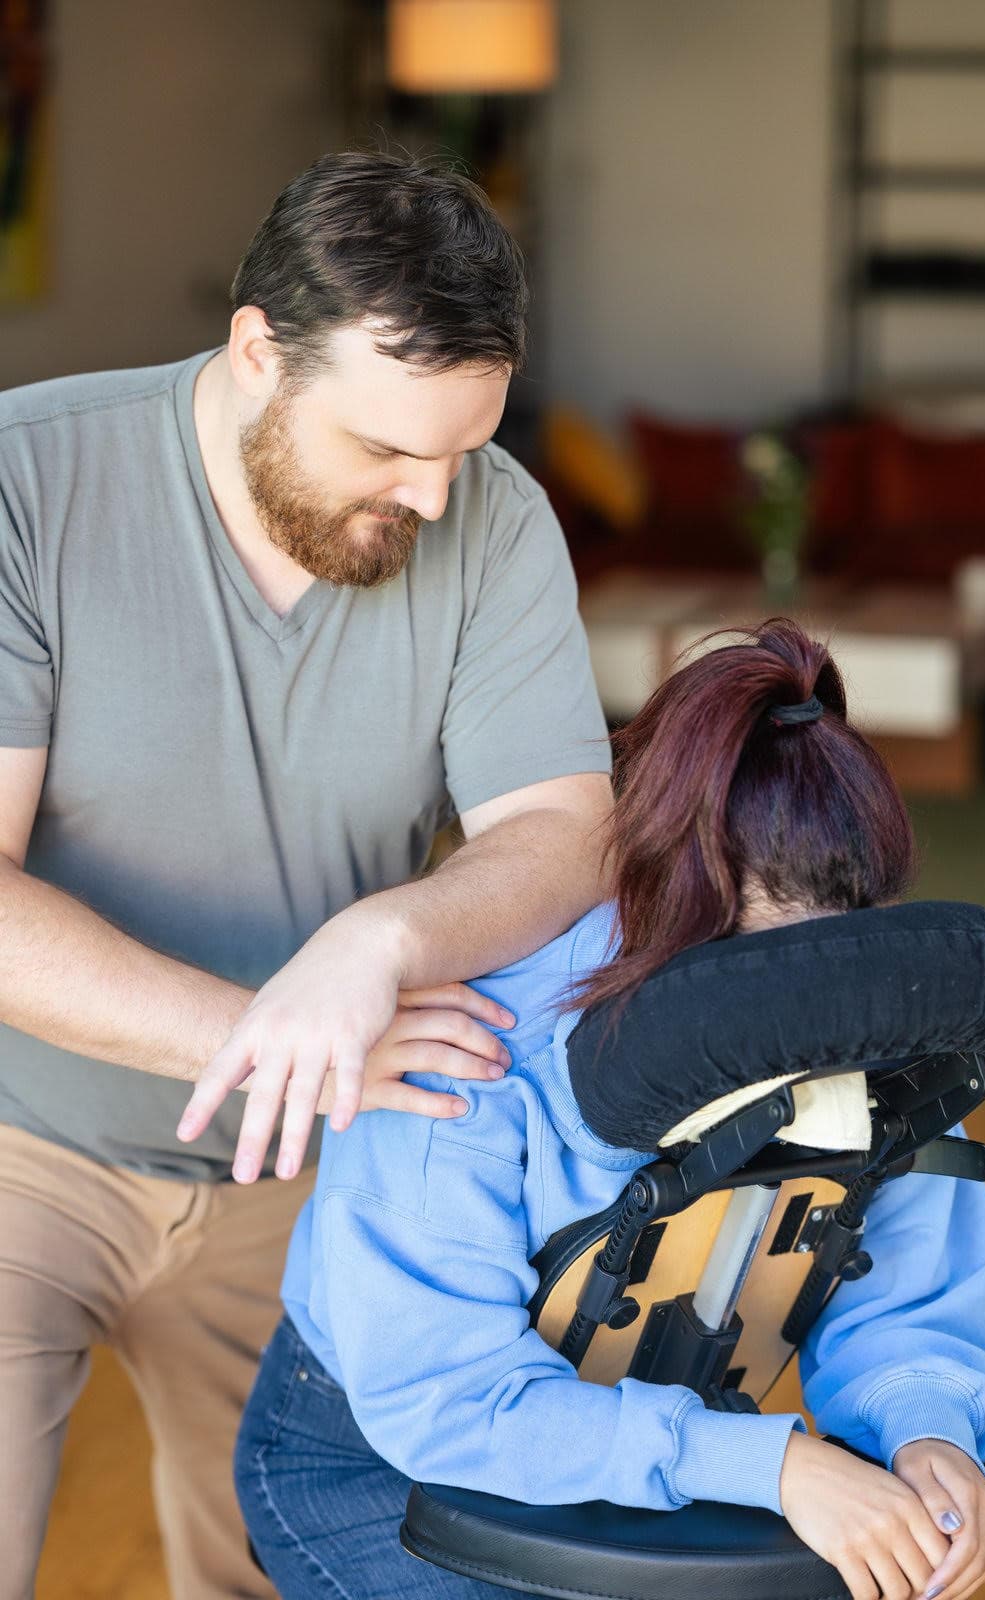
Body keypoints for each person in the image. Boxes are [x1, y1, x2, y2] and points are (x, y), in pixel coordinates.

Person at [0, 151, 613, 1599]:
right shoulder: (26, 482)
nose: (438, 495)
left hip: (318, 1181)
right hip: (19, 1140)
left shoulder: (495, 522)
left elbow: (563, 833)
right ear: (258, 353)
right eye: (392, 449)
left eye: (465, 446)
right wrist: (275, 1033)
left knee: (297, 1575)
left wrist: (375, 942)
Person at [236, 620, 985, 1600]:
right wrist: (771, 1465)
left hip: (662, 1433)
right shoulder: (473, 1050)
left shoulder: (869, 1018)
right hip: (390, 1454)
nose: (811, 1034)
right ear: (667, 903)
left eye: (832, 971)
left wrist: (927, 1425)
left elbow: (901, 1306)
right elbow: (450, 1396)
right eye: (761, 989)